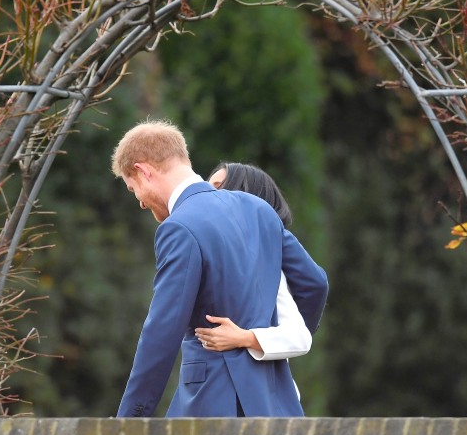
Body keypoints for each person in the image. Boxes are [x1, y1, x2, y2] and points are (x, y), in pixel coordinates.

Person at [111, 119, 328, 417]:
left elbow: (162, 333)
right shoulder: (259, 210)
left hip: (212, 404)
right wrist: (270, 342)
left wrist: (129, 421)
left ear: (143, 171)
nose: (141, 203)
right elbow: (314, 283)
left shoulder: (179, 226)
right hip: (275, 403)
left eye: (133, 188)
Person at [195, 162, 312, 361]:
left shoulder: (265, 266)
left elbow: (299, 337)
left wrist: (244, 338)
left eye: (216, 187)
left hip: (261, 388)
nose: (205, 195)